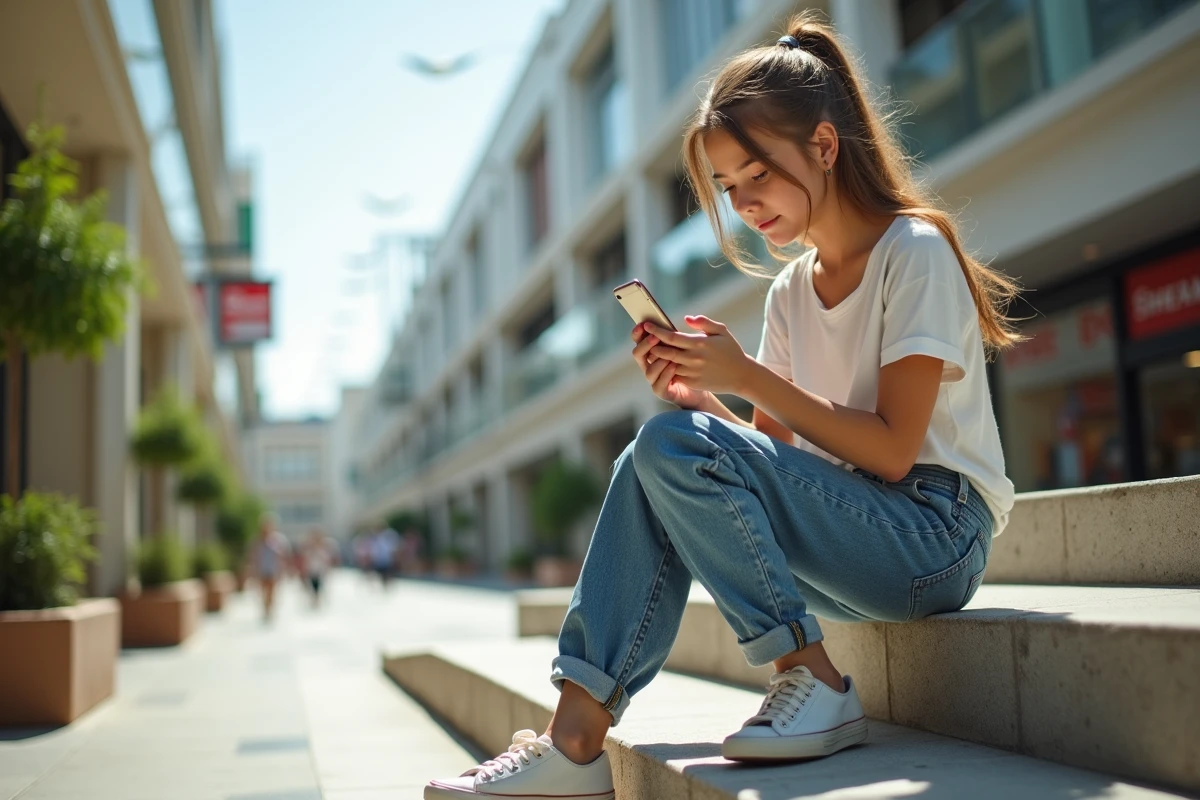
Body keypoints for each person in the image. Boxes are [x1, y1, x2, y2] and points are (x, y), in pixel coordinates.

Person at [424, 13, 1020, 799]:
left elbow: (892, 452)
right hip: (852, 536)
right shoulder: (788, 293)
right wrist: (701, 397)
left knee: (671, 445)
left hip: (934, 535)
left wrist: (743, 382)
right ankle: (574, 740)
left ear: (824, 146)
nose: (745, 204)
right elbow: (772, 466)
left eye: (757, 176)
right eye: (729, 188)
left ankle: (814, 682)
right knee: (657, 452)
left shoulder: (914, 250)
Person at [249, 513, 291, 623]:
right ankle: (265, 609)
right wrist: (253, 570)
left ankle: (270, 609)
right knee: (263, 591)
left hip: (273, 570)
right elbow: (254, 556)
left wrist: (283, 570)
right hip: (262, 569)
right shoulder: (258, 540)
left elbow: (284, 556)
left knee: (272, 591)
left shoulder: (278, 539)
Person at [300, 527, 337, 609]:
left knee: (318, 587)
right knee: (312, 586)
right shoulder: (309, 549)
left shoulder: (322, 549)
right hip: (312, 571)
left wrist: (327, 569)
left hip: (320, 571)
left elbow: (326, 560)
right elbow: (306, 559)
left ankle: (316, 600)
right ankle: (314, 600)